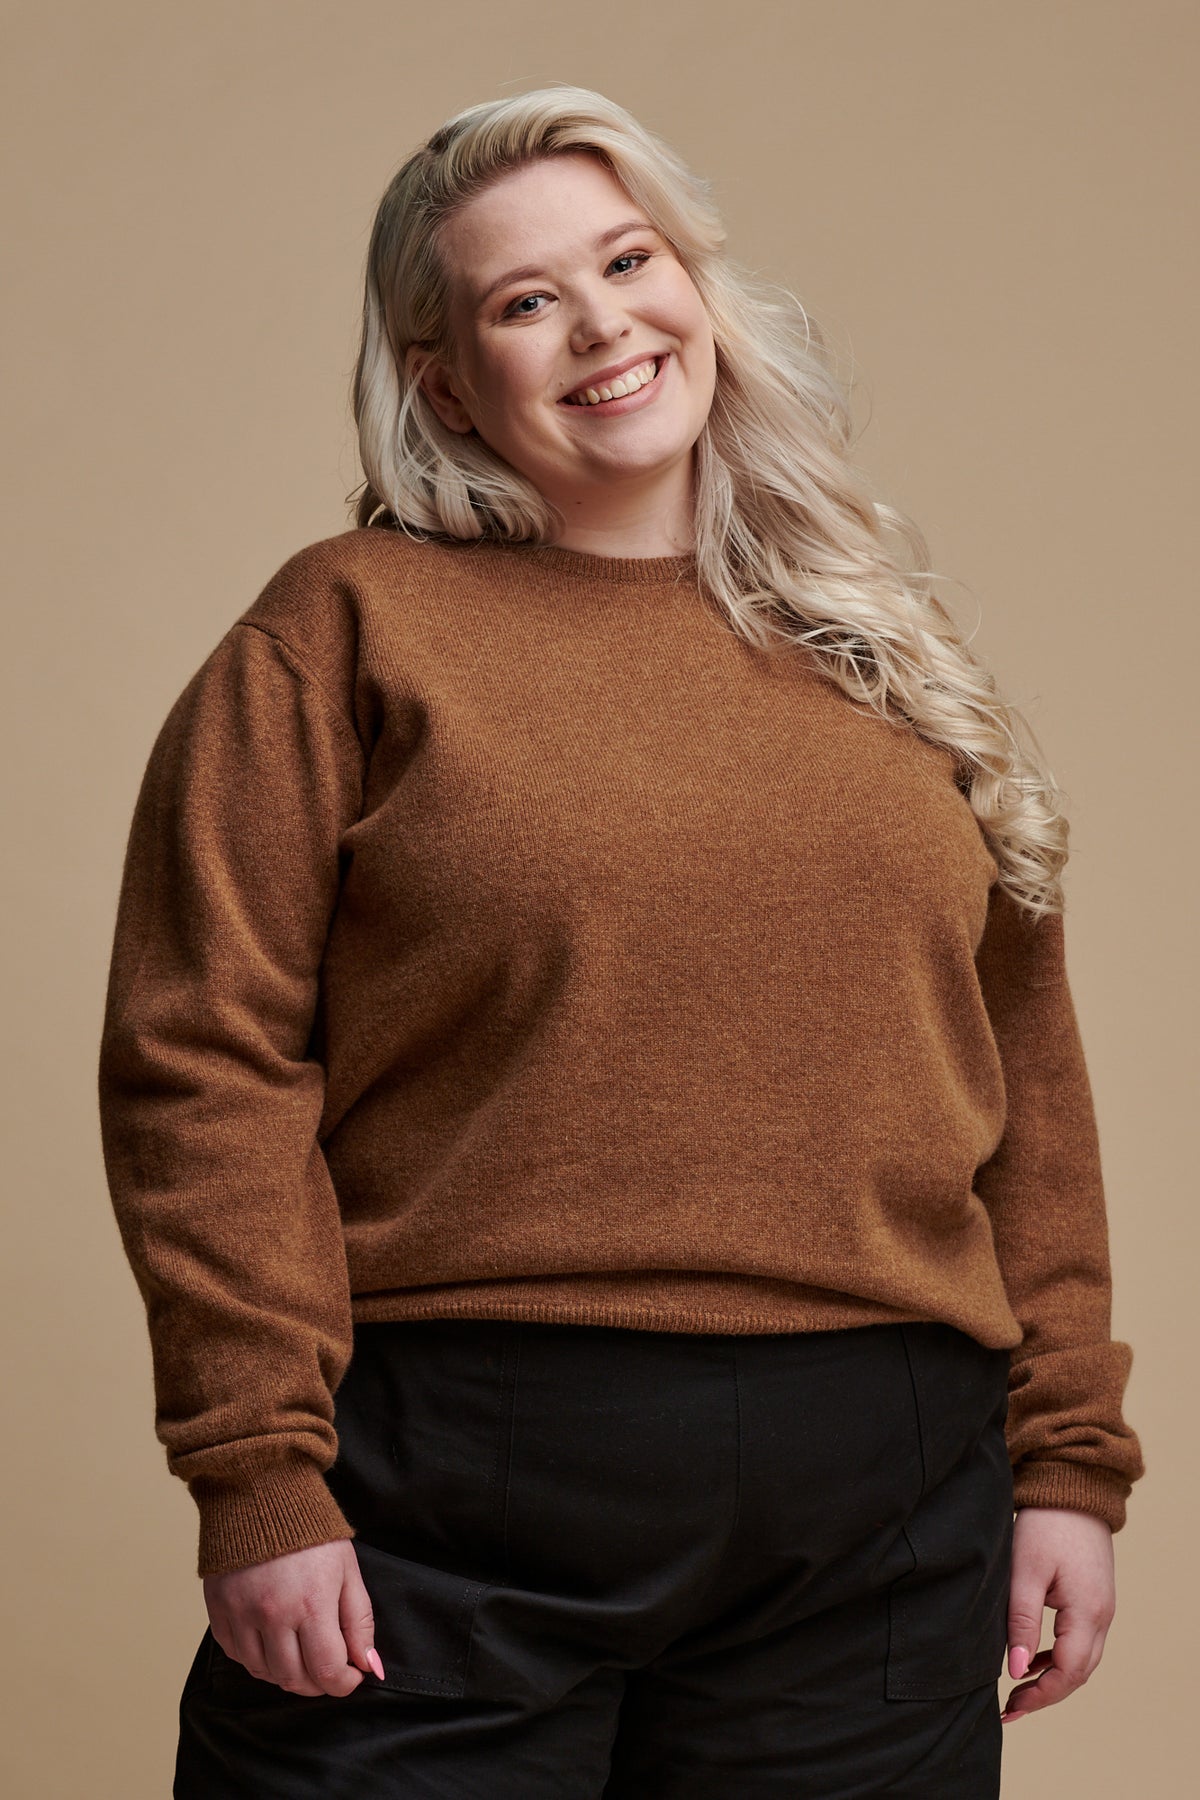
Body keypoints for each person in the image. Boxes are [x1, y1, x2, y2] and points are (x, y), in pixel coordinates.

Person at [97, 84, 1146, 1798]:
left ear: (694, 284)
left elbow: (1023, 1078)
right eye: (527, 299)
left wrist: (1069, 1464)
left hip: (879, 1504)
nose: (603, 324)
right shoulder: (342, 631)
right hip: (453, 1482)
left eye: (630, 260)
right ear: (446, 382)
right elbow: (200, 1056)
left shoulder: (880, 653)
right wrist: (257, 1472)